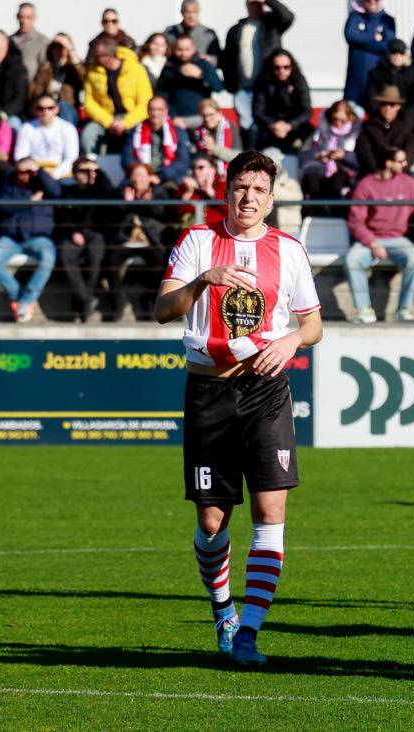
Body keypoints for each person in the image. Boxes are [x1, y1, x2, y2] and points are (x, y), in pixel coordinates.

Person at [154, 149, 322, 668]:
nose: (249, 198)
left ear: (271, 200)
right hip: (209, 391)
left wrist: (292, 340)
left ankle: (248, 632)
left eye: (259, 191)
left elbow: (313, 324)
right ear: (226, 191)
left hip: (266, 392)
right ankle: (223, 609)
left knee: (271, 513)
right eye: (241, 188)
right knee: (211, 522)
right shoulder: (196, 241)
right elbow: (162, 310)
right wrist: (204, 280)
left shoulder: (289, 250)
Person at [346, 146, 414, 324]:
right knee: (352, 260)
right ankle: (364, 309)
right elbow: (356, 222)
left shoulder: (406, 182)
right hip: (371, 239)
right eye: (400, 161)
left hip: (398, 239)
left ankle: (404, 309)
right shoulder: (366, 184)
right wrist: (372, 243)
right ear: (388, 163)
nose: (405, 164)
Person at [0, 158, 61, 322]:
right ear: (15, 172)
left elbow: (56, 191)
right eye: (22, 172)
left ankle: (26, 300)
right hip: (11, 238)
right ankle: (16, 295)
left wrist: (39, 170)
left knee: (48, 258)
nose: (26, 176)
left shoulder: (44, 187)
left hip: (38, 237)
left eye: (30, 172)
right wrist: (29, 202)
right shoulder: (8, 187)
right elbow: (3, 206)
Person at [108, 162, 176, 319]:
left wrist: (150, 204)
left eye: (141, 175)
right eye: (134, 175)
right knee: (111, 260)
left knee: (159, 260)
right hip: (127, 241)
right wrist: (126, 204)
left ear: (149, 177)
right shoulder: (123, 191)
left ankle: (152, 300)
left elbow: (166, 215)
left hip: (151, 241)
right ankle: (117, 301)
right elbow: (113, 217)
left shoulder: (159, 191)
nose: (138, 179)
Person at [220, 0, 296, 137]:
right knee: (247, 127)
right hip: (243, 89)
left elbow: (288, 17)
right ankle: (248, 151)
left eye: (258, 3)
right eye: (252, 3)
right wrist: (231, 84)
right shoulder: (236, 30)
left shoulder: (272, 26)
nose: (255, 6)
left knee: (266, 126)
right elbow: (227, 58)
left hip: (267, 88)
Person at [57, 156, 117, 322]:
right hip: (75, 233)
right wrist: (72, 233)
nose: (85, 174)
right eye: (81, 171)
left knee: (95, 256)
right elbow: (63, 216)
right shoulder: (69, 192)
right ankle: (86, 298)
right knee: (66, 254)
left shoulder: (100, 190)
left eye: (89, 171)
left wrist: (98, 171)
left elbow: (111, 196)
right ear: (74, 173)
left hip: (96, 233)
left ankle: (83, 300)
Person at [82, 39, 152, 156]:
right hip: (106, 118)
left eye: (97, 56)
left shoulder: (136, 69)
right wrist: (109, 122)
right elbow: (89, 102)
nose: (94, 59)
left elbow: (145, 103)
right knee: (88, 134)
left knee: (140, 131)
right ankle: (91, 163)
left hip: (132, 117)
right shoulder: (93, 72)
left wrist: (125, 122)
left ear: (109, 56)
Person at [298, 100, 360, 214]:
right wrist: (318, 154)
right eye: (335, 119)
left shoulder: (357, 134)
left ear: (349, 118)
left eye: (343, 120)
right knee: (311, 177)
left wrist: (344, 156)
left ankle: (336, 213)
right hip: (320, 171)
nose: (338, 123)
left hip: (344, 173)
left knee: (338, 178)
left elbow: (360, 160)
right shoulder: (319, 131)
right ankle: (317, 212)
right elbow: (303, 154)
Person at [121, 96, 191, 186]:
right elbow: (127, 157)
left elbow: (182, 162)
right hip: (140, 177)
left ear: (166, 111)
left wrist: (160, 176)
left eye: (159, 109)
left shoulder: (178, 132)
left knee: (164, 191)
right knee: (124, 191)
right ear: (147, 111)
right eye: (152, 109)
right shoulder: (137, 131)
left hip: (169, 178)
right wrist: (141, 173)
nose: (155, 113)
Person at [253, 50, 313, 155]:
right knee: (253, 129)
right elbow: (258, 111)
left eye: (286, 67)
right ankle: (252, 160)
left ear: (292, 67)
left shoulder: (299, 80)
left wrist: (290, 125)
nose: (282, 71)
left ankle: (305, 159)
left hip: (294, 124)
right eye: (277, 67)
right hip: (271, 124)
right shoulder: (263, 81)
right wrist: (272, 125)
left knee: (310, 131)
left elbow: (306, 110)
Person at [156, 36, 222, 130]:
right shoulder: (169, 67)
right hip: (177, 120)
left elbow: (219, 87)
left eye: (187, 50)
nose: (183, 54)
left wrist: (201, 75)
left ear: (194, 48)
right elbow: (163, 96)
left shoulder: (203, 64)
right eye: (180, 50)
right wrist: (174, 116)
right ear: (174, 49)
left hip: (201, 118)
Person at [356, 85, 414, 178]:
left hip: (400, 174)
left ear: (398, 106)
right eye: (384, 104)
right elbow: (365, 152)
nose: (387, 108)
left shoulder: (407, 125)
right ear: (379, 105)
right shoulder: (368, 126)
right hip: (374, 174)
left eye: (392, 104)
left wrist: (399, 167)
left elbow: (412, 150)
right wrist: (379, 172)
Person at [14, 94, 78, 181]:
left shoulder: (68, 128)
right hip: (34, 172)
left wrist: (55, 174)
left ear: (57, 109)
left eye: (50, 108)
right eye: (41, 108)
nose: (45, 112)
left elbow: (71, 159)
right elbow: (20, 156)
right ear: (34, 110)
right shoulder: (27, 128)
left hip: (61, 173)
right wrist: (37, 173)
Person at [344, 0, 395, 109]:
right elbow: (350, 35)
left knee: (374, 108)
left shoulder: (387, 20)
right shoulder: (354, 17)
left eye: (376, 0)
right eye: (368, 0)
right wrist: (373, 37)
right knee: (352, 110)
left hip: (377, 78)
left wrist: (361, 42)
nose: (372, 2)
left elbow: (386, 45)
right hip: (355, 78)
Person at [365, 40, 414, 125]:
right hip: (380, 120)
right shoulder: (376, 74)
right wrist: (383, 117)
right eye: (394, 52)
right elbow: (371, 100)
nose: (397, 56)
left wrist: (404, 119)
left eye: (401, 53)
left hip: (406, 122)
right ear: (387, 54)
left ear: (406, 56)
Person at [27, 34, 85, 127]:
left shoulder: (72, 69)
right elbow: (35, 92)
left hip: (68, 111)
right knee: (43, 107)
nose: (58, 50)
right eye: (55, 47)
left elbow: (84, 77)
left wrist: (70, 49)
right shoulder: (45, 69)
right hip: (48, 108)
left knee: (63, 105)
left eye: (62, 47)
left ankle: (65, 134)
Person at [0, 28, 29, 121]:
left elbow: (19, 98)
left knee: (14, 123)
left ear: (4, 43)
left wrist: (4, 114)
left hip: (7, 114)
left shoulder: (16, 67)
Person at [192, 99, 242, 177]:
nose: (207, 119)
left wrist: (215, 149)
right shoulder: (198, 132)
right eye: (204, 115)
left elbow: (238, 157)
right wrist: (205, 153)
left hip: (229, 173)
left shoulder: (230, 128)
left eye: (211, 115)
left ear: (219, 114)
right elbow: (193, 156)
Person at [10, 3, 49, 82]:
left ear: (35, 18)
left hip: (31, 87)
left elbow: (45, 71)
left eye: (29, 17)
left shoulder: (43, 42)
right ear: (17, 17)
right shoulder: (9, 40)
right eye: (22, 17)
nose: (24, 21)